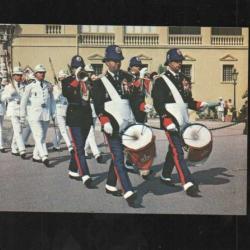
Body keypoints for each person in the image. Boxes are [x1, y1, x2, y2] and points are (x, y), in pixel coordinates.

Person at [151, 48, 208, 197]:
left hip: (183, 119)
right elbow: (158, 103)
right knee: (178, 151)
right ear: (169, 62)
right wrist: (165, 118)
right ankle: (188, 183)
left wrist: (198, 105)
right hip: (169, 120)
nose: (179, 63)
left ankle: (165, 175)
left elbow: (187, 100)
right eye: (176, 61)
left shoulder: (184, 79)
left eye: (180, 61)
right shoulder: (161, 80)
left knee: (173, 150)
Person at [92, 45, 143, 206]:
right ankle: (128, 191)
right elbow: (98, 105)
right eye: (114, 61)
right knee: (119, 157)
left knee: (118, 155)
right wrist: (104, 121)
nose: (117, 63)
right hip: (111, 125)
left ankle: (109, 184)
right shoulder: (100, 83)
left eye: (119, 60)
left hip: (127, 122)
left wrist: (143, 108)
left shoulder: (127, 77)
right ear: (107, 62)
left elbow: (134, 100)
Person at [61, 55, 95, 188]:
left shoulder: (87, 80)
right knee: (79, 147)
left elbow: (93, 94)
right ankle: (85, 174)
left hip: (86, 116)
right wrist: (76, 78)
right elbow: (67, 93)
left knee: (80, 145)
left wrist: (92, 82)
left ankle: (72, 169)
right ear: (72, 68)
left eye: (79, 67)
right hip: (74, 116)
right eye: (75, 67)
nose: (78, 69)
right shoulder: (67, 81)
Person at [20, 64, 55, 167]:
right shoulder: (30, 86)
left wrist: (53, 113)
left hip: (45, 114)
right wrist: (22, 116)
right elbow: (23, 102)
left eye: (44, 72)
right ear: (35, 74)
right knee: (38, 134)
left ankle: (35, 155)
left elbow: (52, 100)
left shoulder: (48, 85)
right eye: (40, 72)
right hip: (33, 115)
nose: (42, 74)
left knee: (42, 136)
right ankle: (44, 156)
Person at [2, 66, 29, 159]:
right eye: (18, 75)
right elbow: (2, 98)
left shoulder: (23, 86)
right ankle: (22, 150)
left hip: (21, 111)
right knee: (18, 130)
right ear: (13, 76)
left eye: (20, 75)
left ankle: (14, 148)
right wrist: (10, 95)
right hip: (13, 110)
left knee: (19, 130)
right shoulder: (8, 86)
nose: (20, 76)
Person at [83, 64, 105, 163]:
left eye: (91, 72)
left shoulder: (94, 82)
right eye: (88, 72)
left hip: (94, 109)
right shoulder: (83, 83)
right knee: (91, 132)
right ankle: (97, 154)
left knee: (89, 131)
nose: (90, 74)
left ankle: (83, 150)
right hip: (86, 109)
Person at [51, 70, 73, 153]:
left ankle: (55, 143)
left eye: (65, 77)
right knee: (63, 129)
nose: (63, 79)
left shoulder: (68, 86)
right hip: (59, 110)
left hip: (67, 109)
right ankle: (69, 146)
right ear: (59, 79)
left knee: (62, 129)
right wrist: (60, 91)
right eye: (62, 78)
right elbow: (55, 98)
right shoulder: (56, 87)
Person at [0, 73, 7, 153]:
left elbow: (4, 99)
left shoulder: (3, 88)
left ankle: (1, 145)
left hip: (1, 110)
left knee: (0, 128)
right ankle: (1, 145)